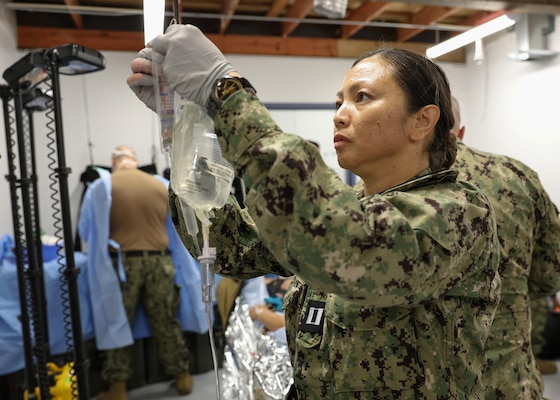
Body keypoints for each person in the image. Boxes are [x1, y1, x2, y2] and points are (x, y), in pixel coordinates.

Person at [127, 24, 501, 399]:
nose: (340, 114)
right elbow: (231, 247)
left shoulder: (458, 212)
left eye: (363, 97)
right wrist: (184, 134)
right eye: (339, 102)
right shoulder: (350, 208)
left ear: (422, 120)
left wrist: (225, 91)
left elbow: (353, 249)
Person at [451, 97, 560, 399]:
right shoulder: (517, 175)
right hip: (509, 379)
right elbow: (549, 276)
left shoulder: (385, 186)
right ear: (460, 131)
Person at [78, 145, 204, 400]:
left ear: (114, 161)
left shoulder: (102, 187)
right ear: (136, 161)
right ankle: (182, 376)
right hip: (160, 263)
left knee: (117, 321)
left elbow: (86, 231)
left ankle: (118, 388)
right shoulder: (161, 185)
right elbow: (179, 229)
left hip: (123, 267)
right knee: (166, 321)